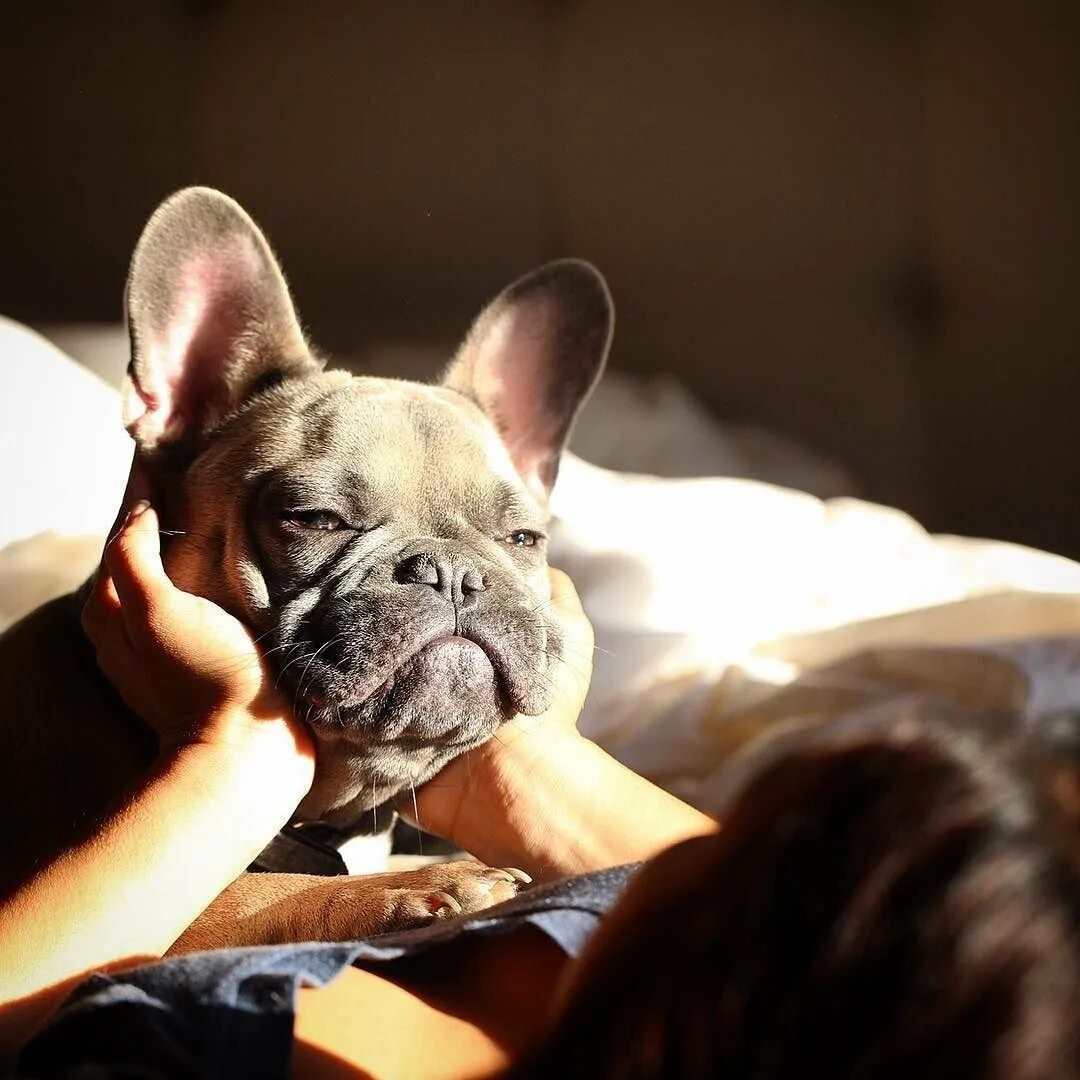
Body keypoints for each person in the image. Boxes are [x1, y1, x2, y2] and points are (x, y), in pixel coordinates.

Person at [3, 503, 1079, 1078]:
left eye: (746, 847)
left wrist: (236, 754)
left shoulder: (215, 1051)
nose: (702, 840)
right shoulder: (697, 951)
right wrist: (516, 761)